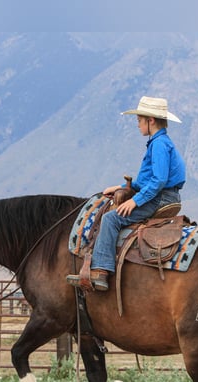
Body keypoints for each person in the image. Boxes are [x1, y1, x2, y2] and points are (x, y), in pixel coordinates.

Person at [70, 96, 186, 292]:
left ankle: (101, 271)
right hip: (165, 195)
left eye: (139, 121)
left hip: (161, 198)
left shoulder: (159, 145)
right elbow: (145, 180)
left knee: (110, 219)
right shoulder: (160, 142)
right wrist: (119, 187)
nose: (138, 125)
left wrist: (135, 201)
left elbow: (158, 180)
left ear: (150, 121)